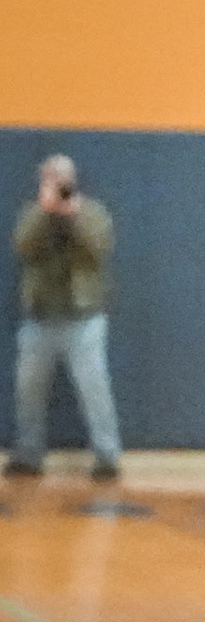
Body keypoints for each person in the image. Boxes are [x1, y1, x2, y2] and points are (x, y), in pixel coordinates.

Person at [7, 154, 123, 482]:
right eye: (50, 178)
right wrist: (44, 214)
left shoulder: (93, 213)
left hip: (84, 319)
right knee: (28, 390)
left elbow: (100, 247)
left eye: (62, 180)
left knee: (94, 389)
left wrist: (75, 217)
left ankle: (107, 456)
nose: (57, 185)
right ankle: (28, 455)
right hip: (40, 318)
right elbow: (22, 247)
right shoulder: (33, 213)